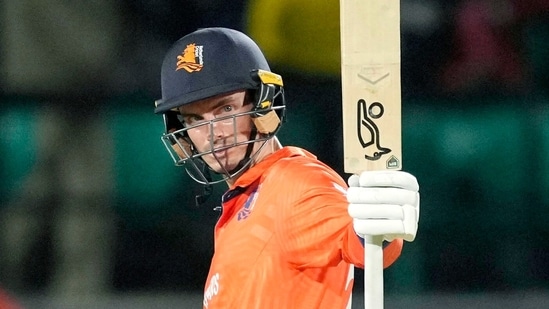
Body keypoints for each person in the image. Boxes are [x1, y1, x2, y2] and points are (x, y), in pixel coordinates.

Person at [153, 27, 420, 309]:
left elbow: (359, 239)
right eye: (195, 120)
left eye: (226, 110)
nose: (213, 133)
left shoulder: (296, 184)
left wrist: (380, 228)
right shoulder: (244, 203)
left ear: (263, 104)